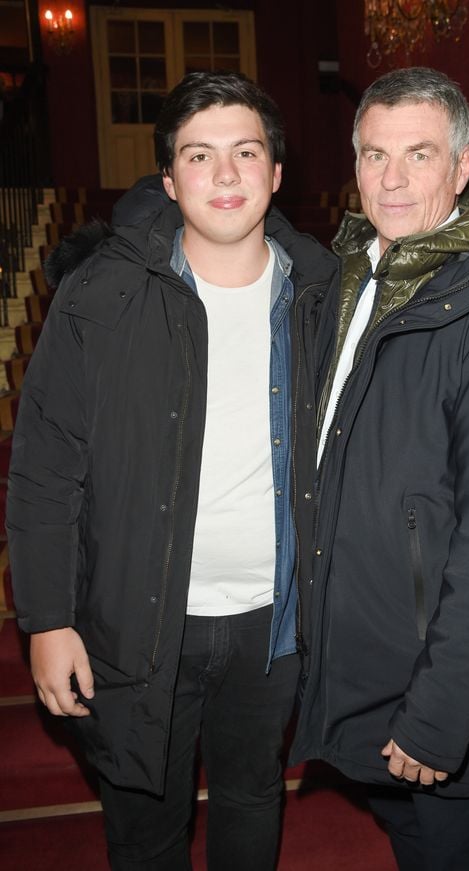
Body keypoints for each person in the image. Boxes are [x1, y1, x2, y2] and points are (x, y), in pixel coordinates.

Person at [7, 71, 338, 870]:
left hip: (274, 621)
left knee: (252, 797)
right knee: (144, 827)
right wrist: (47, 619)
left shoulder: (322, 294)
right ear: (167, 178)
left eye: (245, 152)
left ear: (276, 172)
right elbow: (45, 468)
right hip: (137, 621)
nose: (225, 174)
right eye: (198, 155)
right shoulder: (100, 295)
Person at [290, 67, 469, 870]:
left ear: (462, 166)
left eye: (419, 155)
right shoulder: (353, 284)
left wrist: (441, 715)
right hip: (363, 658)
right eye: (375, 155)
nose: (393, 179)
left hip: (435, 682)